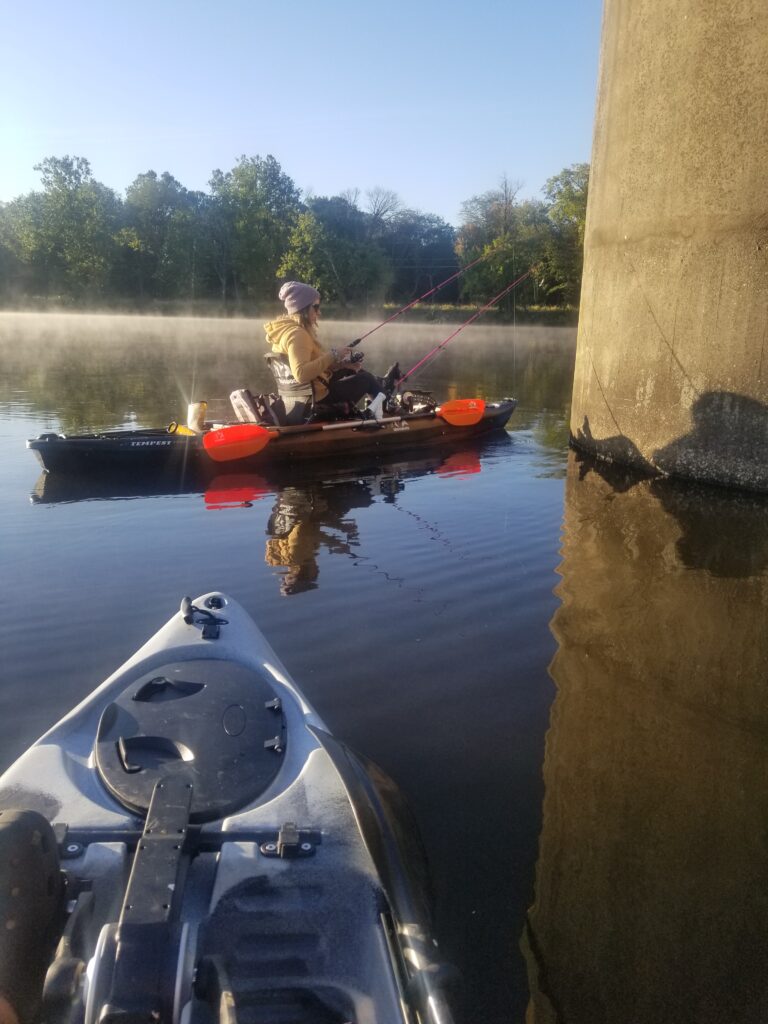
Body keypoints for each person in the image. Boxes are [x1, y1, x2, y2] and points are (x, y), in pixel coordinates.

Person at [264, 281, 388, 420]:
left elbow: (311, 367)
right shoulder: (297, 334)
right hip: (318, 399)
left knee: (353, 370)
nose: (319, 312)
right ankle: (386, 412)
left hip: (302, 397)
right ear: (303, 309)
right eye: (315, 307)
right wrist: (333, 354)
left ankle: (379, 407)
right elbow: (301, 373)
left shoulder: (285, 332)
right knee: (366, 379)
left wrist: (342, 365)